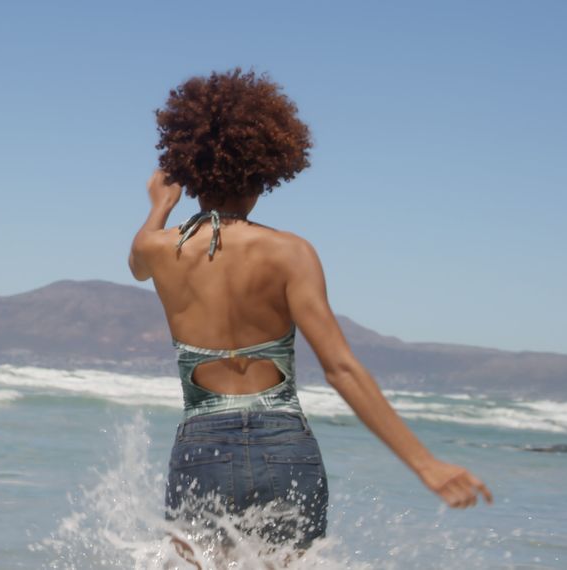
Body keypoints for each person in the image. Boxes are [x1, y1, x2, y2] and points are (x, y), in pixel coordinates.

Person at [127, 68, 493, 566]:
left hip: (203, 445)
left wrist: (160, 206)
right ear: (265, 172)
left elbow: (136, 266)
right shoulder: (291, 253)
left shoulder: (157, 248)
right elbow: (340, 367)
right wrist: (425, 464)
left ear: (190, 170)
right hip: (285, 446)